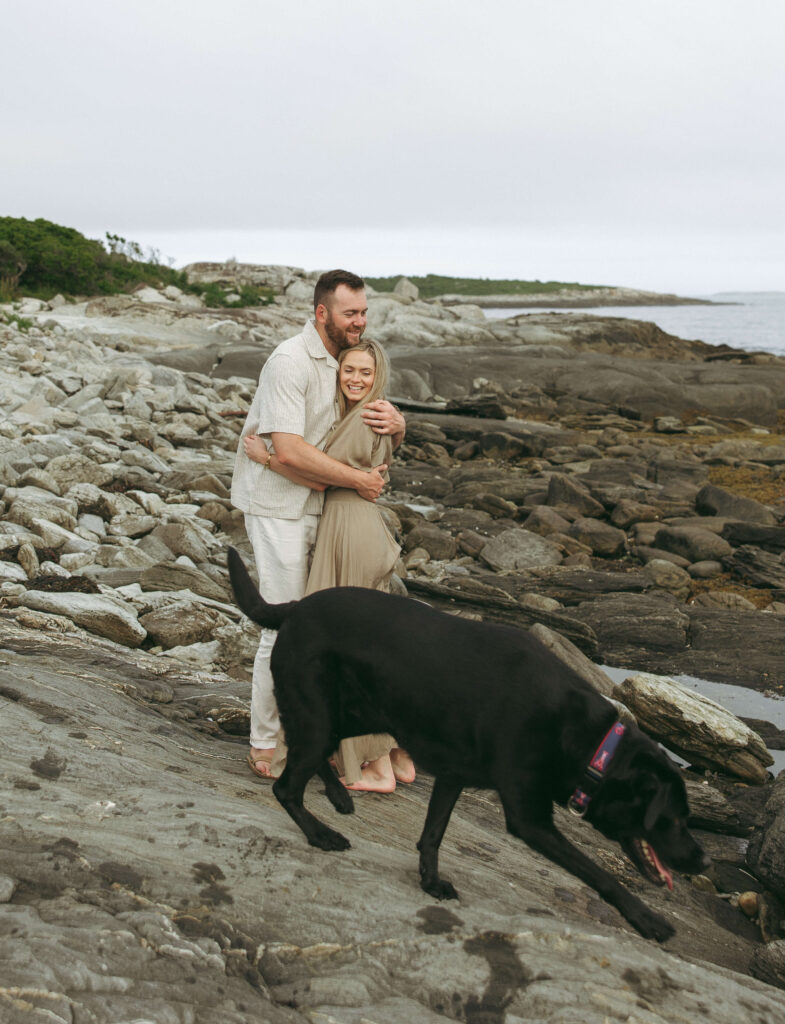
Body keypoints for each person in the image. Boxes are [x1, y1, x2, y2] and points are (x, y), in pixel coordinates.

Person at [230, 269, 406, 781]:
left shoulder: (341, 361)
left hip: (322, 510)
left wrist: (399, 424)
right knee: (284, 627)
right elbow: (287, 448)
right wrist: (357, 478)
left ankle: (323, 737)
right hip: (280, 508)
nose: (361, 322)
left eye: (365, 313)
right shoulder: (290, 361)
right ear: (322, 313)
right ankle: (266, 744)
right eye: (351, 313)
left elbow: (362, 420)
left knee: (322, 630)